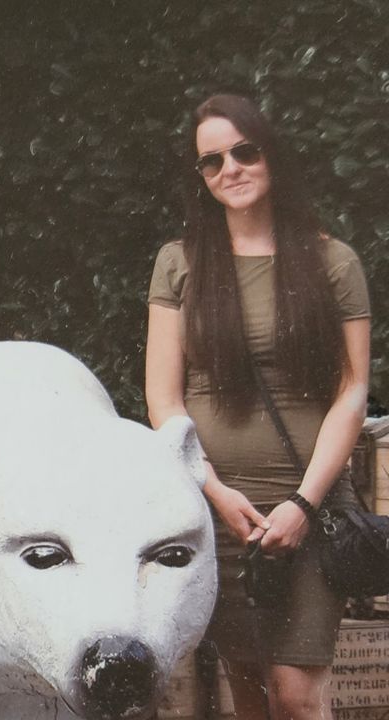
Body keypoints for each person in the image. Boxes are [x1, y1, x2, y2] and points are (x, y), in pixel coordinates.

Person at [146, 94, 370, 720]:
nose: (231, 170)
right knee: (246, 689)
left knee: (296, 696)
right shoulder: (180, 262)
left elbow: (351, 391)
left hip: (308, 503)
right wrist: (214, 492)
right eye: (212, 161)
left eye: (244, 151)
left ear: (271, 154)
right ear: (201, 177)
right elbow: (164, 399)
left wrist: (304, 503)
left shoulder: (333, 262)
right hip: (216, 510)